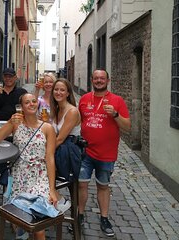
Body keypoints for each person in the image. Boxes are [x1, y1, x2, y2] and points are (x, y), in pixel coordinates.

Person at [0, 93, 70, 240]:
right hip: (19, 175)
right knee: (19, 220)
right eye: (27, 102)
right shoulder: (15, 124)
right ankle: (22, 232)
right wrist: (9, 122)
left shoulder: (47, 128)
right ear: (21, 107)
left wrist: (52, 189)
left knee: (38, 227)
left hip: (39, 176)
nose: (31, 104)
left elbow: (50, 158)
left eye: (34, 101)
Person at [78, 68, 131, 237]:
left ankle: (104, 218)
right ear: (92, 80)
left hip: (106, 154)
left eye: (102, 78)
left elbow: (127, 127)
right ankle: (79, 215)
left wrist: (115, 114)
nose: (99, 80)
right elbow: (77, 120)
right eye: (96, 78)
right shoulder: (85, 99)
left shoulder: (117, 100)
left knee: (103, 186)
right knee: (82, 184)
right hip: (86, 152)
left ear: (107, 81)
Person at [50, 78, 81, 147]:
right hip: (59, 150)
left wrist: (45, 153)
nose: (58, 92)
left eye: (62, 90)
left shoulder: (72, 112)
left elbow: (60, 139)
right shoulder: (57, 109)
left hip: (69, 153)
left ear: (68, 93)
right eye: (56, 89)